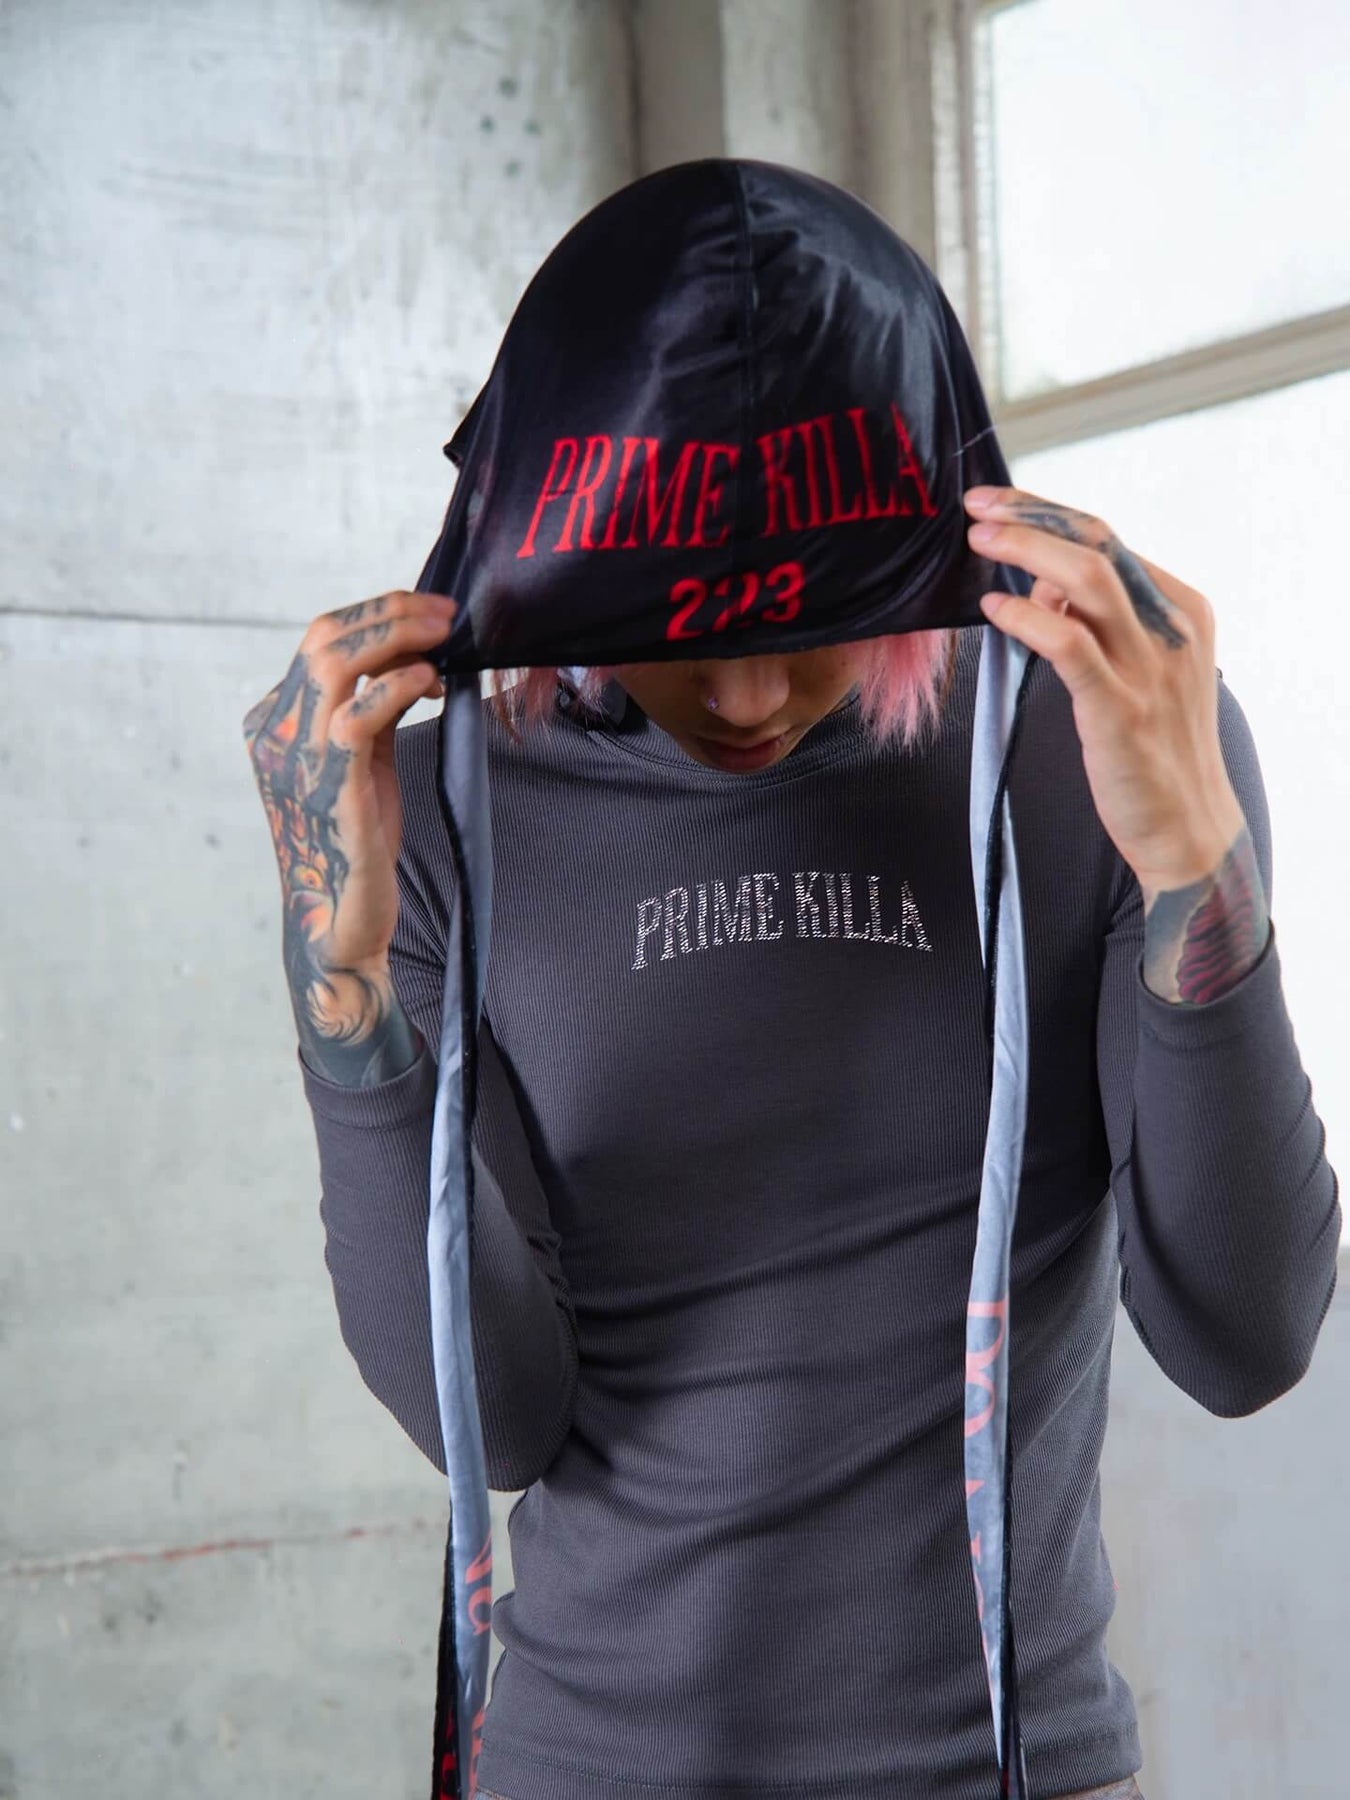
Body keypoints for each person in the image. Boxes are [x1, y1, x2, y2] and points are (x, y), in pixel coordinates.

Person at [243, 484, 1339, 1799]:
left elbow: (1243, 1336)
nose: (750, 696)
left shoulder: (1084, 736)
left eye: (816, 609)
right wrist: (340, 984)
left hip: (1015, 1768)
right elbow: (493, 1422)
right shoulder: (436, 810)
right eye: (680, 624)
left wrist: (1196, 866)